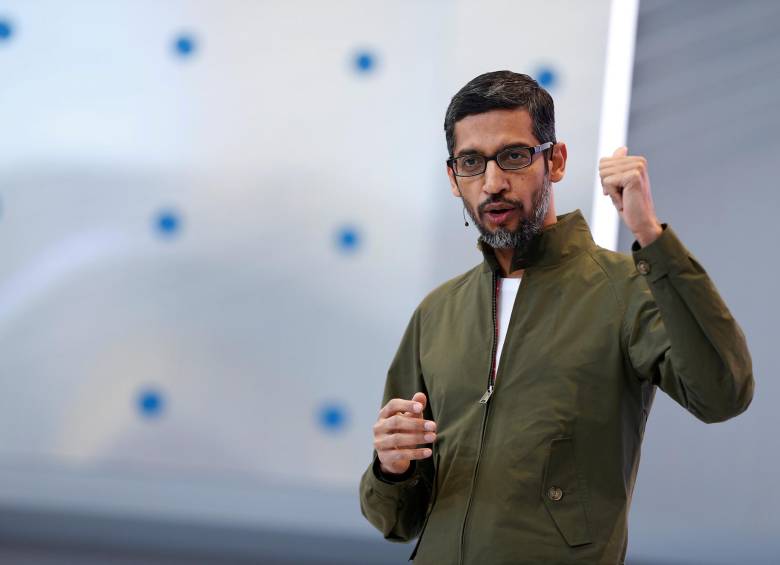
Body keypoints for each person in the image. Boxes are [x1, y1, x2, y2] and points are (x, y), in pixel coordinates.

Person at [358, 70, 754, 564]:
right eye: (471, 162)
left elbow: (723, 392)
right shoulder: (436, 314)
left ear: (556, 160)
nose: (493, 182)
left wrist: (650, 234)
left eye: (515, 156)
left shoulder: (625, 288)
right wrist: (391, 468)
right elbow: (394, 520)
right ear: (453, 177)